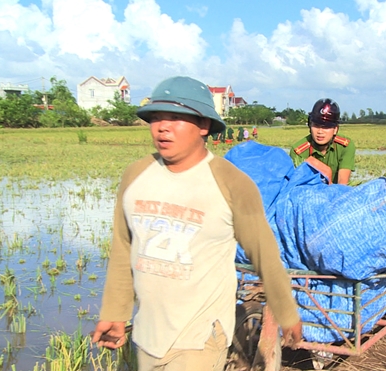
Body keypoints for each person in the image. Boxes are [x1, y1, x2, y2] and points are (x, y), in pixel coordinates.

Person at [91, 76, 302, 370]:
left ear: (204, 125)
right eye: (156, 118)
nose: (162, 127)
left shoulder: (232, 183)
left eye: (176, 118)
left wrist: (286, 312)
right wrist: (115, 313)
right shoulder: (136, 175)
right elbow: (122, 247)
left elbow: (264, 254)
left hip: (200, 337)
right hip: (148, 333)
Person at [289, 98, 356, 185]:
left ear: (335, 129)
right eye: (316, 125)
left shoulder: (345, 146)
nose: (320, 132)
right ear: (310, 126)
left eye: (326, 127)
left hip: (336, 192)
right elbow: (298, 183)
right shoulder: (298, 151)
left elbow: (342, 183)